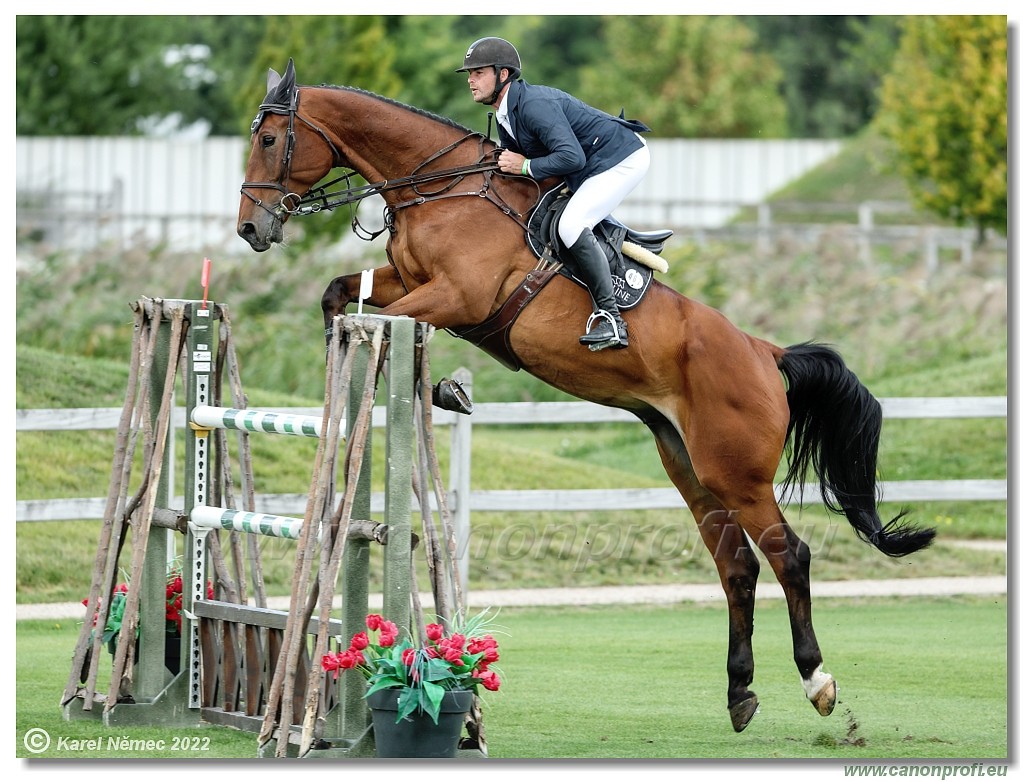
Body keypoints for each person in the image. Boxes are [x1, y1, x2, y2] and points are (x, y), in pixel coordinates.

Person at [457, 37, 651, 351]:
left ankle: (611, 318)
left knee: (571, 225)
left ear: (503, 75)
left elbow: (571, 158)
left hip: (622, 158)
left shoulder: (533, 105)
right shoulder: (507, 113)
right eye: (470, 73)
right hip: (592, 162)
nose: (470, 80)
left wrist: (524, 166)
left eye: (478, 72)